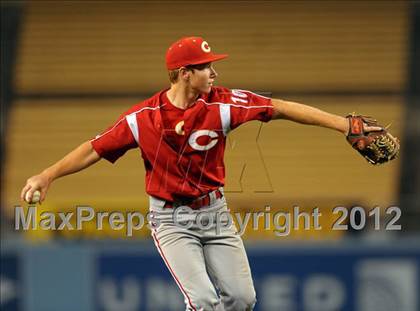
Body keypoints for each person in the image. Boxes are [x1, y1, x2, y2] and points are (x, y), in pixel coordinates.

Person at [21, 36, 383, 311]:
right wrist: (47, 175)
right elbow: (94, 148)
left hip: (215, 214)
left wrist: (342, 125)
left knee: (242, 299)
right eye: (206, 67)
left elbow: (280, 108)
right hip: (171, 219)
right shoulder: (143, 118)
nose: (214, 72)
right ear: (184, 74)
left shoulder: (223, 104)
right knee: (204, 302)